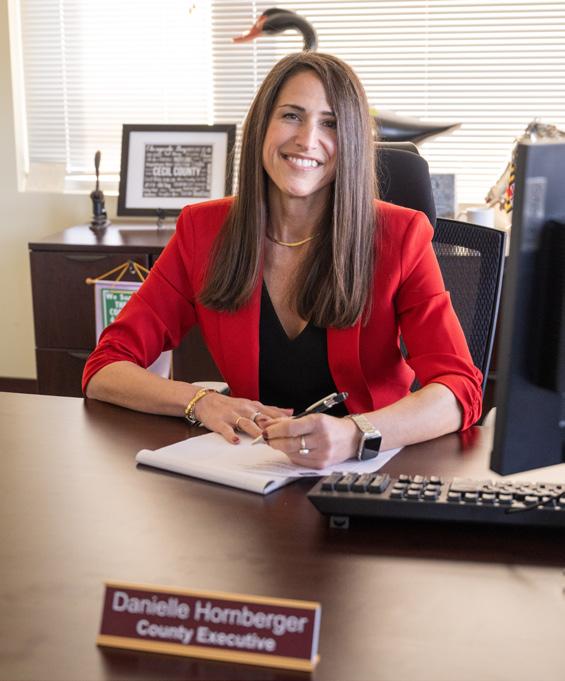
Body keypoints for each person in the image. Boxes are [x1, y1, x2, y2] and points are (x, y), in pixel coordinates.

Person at [83, 52, 482, 469]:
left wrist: (354, 434)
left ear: (352, 142)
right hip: (253, 468)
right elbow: (105, 366)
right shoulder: (203, 230)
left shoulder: (401, 235)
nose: (307, 140)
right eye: (292, 116)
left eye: (330, 123)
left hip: (368, 470)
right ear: (262, 127)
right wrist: (200, 400)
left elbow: (459, 388)